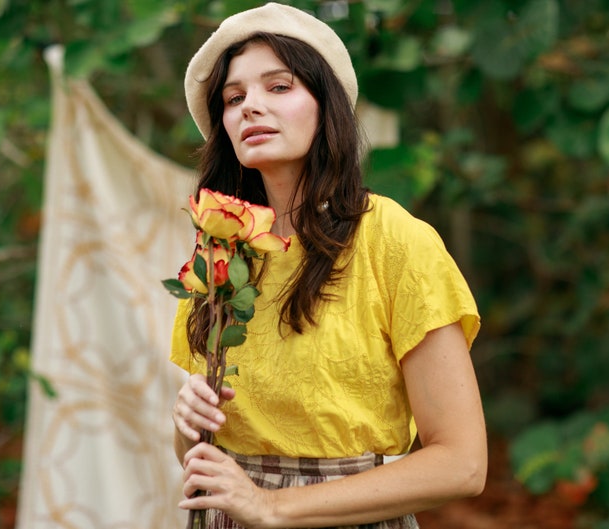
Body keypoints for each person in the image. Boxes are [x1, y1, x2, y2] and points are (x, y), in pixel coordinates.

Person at [170, 3, 487, 528]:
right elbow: (195, 453)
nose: (250, 107)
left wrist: (272, 506)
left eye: (279, 86)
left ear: (326, 105)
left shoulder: (395, 241)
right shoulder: (220, 250)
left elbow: (463, 464)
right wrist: (186, 421)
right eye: (234, 96)